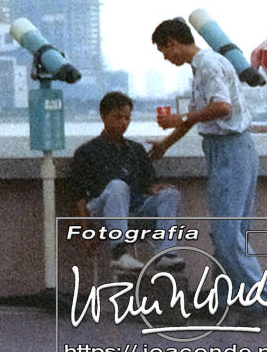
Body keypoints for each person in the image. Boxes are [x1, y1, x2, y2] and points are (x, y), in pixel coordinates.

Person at [149, 16, 266, 296]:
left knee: (226, 232)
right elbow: (197, 116)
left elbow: (222, 107)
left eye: (164, 51)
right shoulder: (202, 66)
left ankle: (263, 298)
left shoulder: (208, 65)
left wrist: (180, 118)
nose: (166, 58)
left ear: (173, 43)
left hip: (229, 149)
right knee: (232, 232)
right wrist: (166, 144)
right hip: (230, 148)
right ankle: (228, 296)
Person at [69, 91, 183, 274]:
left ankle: (166, 254)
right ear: (103, 116)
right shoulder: (87, 152)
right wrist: (86, 231)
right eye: (117, 117)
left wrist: (155, 189)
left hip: (135, 212)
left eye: (127, 118)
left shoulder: (135, 150)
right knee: (118, 186)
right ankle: (119, 253)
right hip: (103, 214)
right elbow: (80, 196)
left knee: (170, 194)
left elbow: (147, 185)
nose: (123, 122)